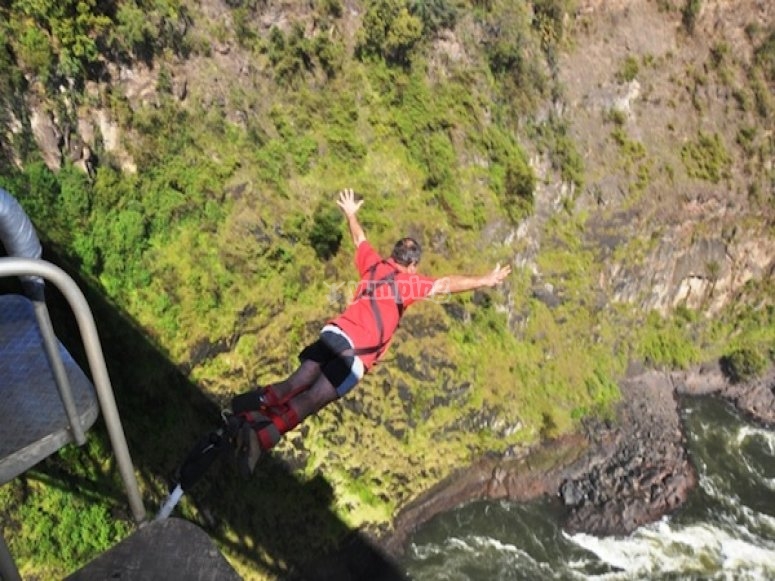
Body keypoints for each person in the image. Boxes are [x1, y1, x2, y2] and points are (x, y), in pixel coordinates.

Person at [228, 188, 511, 475]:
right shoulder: (408, 284)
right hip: (354, 354)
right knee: (311, 399)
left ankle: (254, 407)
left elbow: (359, 238)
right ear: (412, 265)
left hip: (334, 332)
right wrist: (485, 280)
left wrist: (351, 213)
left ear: (393, 255)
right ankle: (259, 439)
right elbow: (445, 284)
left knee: (297, 380)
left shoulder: (374, 265)